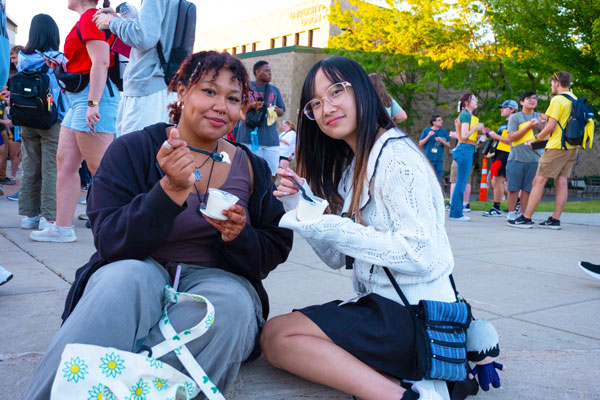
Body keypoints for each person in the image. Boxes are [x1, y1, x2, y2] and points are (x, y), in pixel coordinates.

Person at [24, 51, 293, 399]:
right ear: (181, 91)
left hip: (219, 275)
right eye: (209, 91)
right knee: (123, 280)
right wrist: (168, 191)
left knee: (229, 308)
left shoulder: (251, 166)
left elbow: (274, 247)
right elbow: (108, 239)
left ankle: (109, 380)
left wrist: (240, 236)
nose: (220, 106)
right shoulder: (132, 150)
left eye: (233, 98)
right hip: (139, 263)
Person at [260, 56, 453, 400]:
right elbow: (337, 257)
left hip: (415, 315)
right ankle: (398, 383)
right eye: (315, 103)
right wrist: (299, 205)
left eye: (336, 91)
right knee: (277, 334)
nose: (326, 107)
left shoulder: (396, 158)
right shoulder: (357, 162)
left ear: (362, 91)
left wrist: (330, 224)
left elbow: (422, 255)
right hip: (386, 306)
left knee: (279, 337)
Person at [30, 0, 120, 243]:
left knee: (101, 169)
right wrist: (64, 66)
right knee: (66, 163)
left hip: (92, 97)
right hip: (82, 98)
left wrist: (93, 103)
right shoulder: (89, 18)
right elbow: (90, 62)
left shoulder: (91, 17)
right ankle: (62, 228)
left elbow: (101, 61)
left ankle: (119, 231)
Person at [92, 0, 179, 136]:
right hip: (156, 86)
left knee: (137, 152)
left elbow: (144, 38)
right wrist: (118, 21)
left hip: (146, 90)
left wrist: (111, 22)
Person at [14, 14, 68, 230]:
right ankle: (49, 217)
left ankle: (29, 215)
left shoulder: (23, 58)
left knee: (29, 166)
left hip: (26, 118)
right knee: (51, 168)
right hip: (51, 119)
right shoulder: (58, 58)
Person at [512, 72, 577, 230]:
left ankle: (526, 218)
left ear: (556, 82)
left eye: (552, 83)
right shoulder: (574, 98)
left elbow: (551, 126)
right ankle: (555, 219)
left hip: (556, 147)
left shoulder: (558, 100)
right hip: (572, 146)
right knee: (561, 181)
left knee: (538, 180)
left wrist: (536, 139)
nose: (551, 86)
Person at [235, 61, 286, 178]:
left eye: (270, 71)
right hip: (249, 139)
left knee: (272, 174)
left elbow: (282, 111)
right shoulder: (246, 88)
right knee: (249, 174)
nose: (270, 73)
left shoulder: (274, 90)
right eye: (266, 71)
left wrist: (276, 110)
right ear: (257, 72)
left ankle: (269, 195)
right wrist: (252, 106)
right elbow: (236, 108)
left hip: (271, 141)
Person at [505, 92, 544, 224]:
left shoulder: (539, 116)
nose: (532, 101)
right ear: (521, 102)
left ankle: (523, 214)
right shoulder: (515, 117)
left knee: (528, 189)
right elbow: (511, 137)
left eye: (534, 98)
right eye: (529, 99)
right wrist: (529, 126)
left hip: (534, 159)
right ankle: (511, 214)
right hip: (516, 157)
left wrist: (543, 124)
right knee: (513, 188)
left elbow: (545, 137)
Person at [449, 93, 485, 221]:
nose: (476, 101)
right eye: (474, 99)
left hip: (466, 148)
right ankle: (456, 213)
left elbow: (466, 135)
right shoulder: (465, 115)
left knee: (461, 182)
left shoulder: (467, 116)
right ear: (466, 102)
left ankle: (455, 212)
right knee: (461, 182)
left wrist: (479, 134)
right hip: (464, 149)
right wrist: (476, 127)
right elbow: (464, 135)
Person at [482, 100, 517, 217]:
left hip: (505, 154)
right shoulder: (504, 123)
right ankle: (517, 202)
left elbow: (509, 140)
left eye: (504, 107)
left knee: (497, 180)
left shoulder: (513, 122)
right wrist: (490, 135)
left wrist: (495, 136)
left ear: (512, 109)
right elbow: (500, 139)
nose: (501, 109)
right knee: (497, 181)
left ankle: (496, 207)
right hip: (499, 153)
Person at [419, 114, 450, 184]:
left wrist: (441, 140)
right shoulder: (426, 130)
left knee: (438, 180)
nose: (441, 121)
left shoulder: (443, 132)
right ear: (433, 122)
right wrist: (428, 135)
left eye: (441, 120)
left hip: (439, 160)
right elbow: (420, 143)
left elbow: (448, 145)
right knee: (428, 178)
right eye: (439, 120)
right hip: (428, 159)